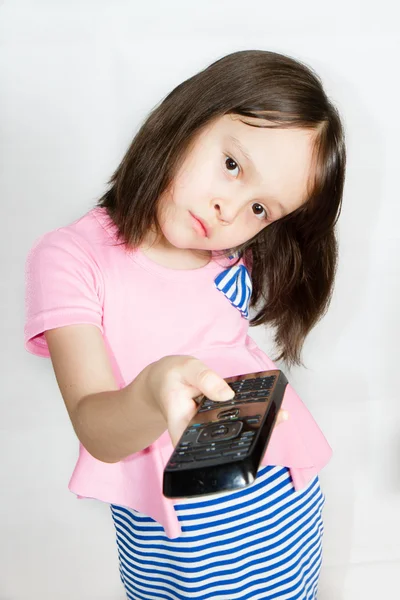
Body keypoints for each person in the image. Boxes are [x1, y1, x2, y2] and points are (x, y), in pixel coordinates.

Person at [24, 49, 346, 600]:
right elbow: (95, 427)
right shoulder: (72, 258)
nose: (230, 210)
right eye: (233, 165)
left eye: (261, 209)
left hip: (286, 506)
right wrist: (153, 391)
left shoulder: (229, 261)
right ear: (190, 114)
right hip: (183, 548)